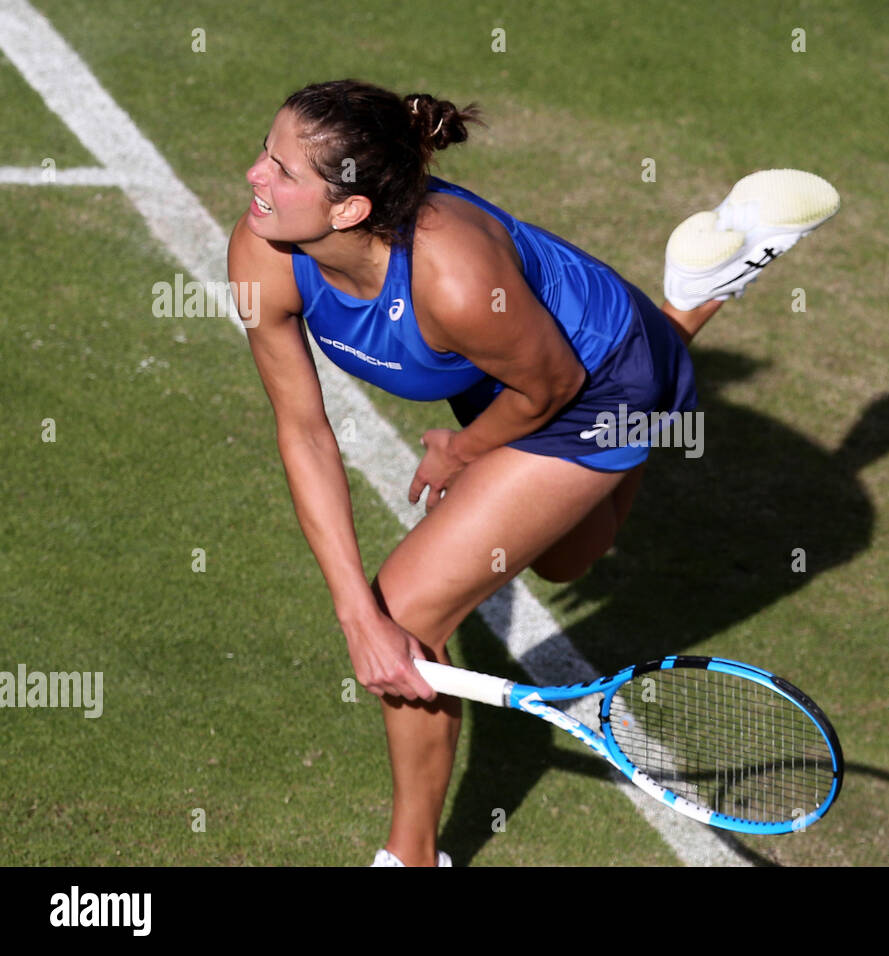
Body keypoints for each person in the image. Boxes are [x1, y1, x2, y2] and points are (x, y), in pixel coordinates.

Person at [226, 79, 838, 866]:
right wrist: (353, 614)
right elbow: (303, 431)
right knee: (558, 558)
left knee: (418, 606)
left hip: (602, 379)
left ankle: (410, 858)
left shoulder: (450, 278)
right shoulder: (261, 251)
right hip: (495, 366)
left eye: (282, 172)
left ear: (348, 211)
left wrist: (462, 450)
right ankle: (687, 304)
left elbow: (550, 389)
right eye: (264, 154)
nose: (254, 177)